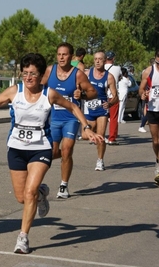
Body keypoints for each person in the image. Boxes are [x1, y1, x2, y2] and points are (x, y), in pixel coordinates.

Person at [0, 53, 103, 254]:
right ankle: (41, 194)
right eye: (25, 73)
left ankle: (23, 237)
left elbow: (73, 106)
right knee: (22, 197)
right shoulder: (15, 91)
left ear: (41, 76)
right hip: (16, 148)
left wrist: (86, 127)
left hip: (41, 147)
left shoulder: (49, 94)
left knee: (29, 192)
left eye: (33, 73)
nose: (28, 77)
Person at [41, 42, 97, 199]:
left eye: (64, 54)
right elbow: (39, 87)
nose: (61, 57)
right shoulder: (50, 70)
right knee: (51, 152)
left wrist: (83, 95)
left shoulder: (77, 74)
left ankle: (63, 185)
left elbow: (93, 92)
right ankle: (41, 180)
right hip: (53, 118)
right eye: (59, 54)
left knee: (66, 149)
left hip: (71, 118)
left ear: (71, 57)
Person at [83, 51, 118, 171]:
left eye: (100, 59)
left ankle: (100, 160)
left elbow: (115, 96)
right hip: (89, 108)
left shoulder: (109, 77)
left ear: (104, 61)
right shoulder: (87, 74)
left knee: (101, 136)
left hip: (102, 110)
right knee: (84, 135)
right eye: (95, 59)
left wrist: (110, 103)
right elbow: (78, 87)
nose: (97, 61)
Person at [139, 49, 159, 186]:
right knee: (156, 141)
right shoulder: (148, 71)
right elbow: (141, 89)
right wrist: (143, 94)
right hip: (152, 109)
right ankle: (158, 162)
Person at [104, 51, 122, 145]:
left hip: (102, 95)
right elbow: (119, 77)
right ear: (113, 58)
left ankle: (98, 136)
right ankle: (112, 138)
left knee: (100, 117)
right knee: (113, 118)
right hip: (113, 96)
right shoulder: (117, 68)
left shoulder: (99, 68)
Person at [138, 58, 155, 133]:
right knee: (148, 110)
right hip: (149, 93)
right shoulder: (147, 72)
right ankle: (142, 125)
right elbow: (143, 84)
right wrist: (144, 93)